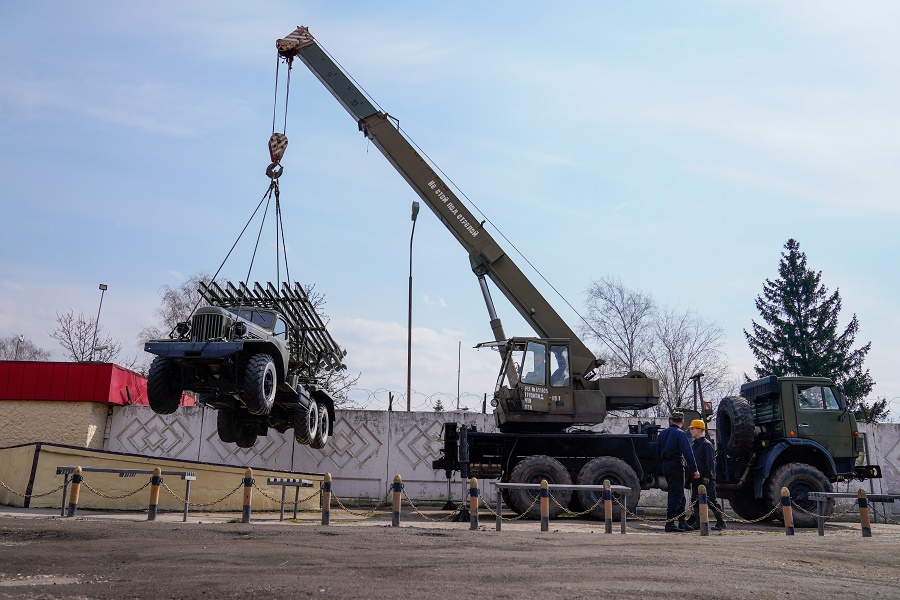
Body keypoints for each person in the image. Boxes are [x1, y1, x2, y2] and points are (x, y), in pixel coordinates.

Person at [657, 411, 699, 532]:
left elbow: (657, 450)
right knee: (675, 495)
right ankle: (670, 523)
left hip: (665, 465)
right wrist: (694, 469)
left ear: (671, 420)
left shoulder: (662, 434)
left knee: (679, 493)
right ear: (682, 422)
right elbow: (688, 453)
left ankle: (681, 521)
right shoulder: (680, 434)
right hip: (676, 465)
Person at [686, 419, 726, 531]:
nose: (691, 430)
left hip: (705, 478)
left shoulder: (706, 445)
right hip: (696, 478)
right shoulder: (694, 445)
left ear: (699, 430)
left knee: (711, 500)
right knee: (695, 500)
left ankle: (721, 521)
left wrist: (707, 477)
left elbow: (709, 463)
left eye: (693, 428)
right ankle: (698, 522)